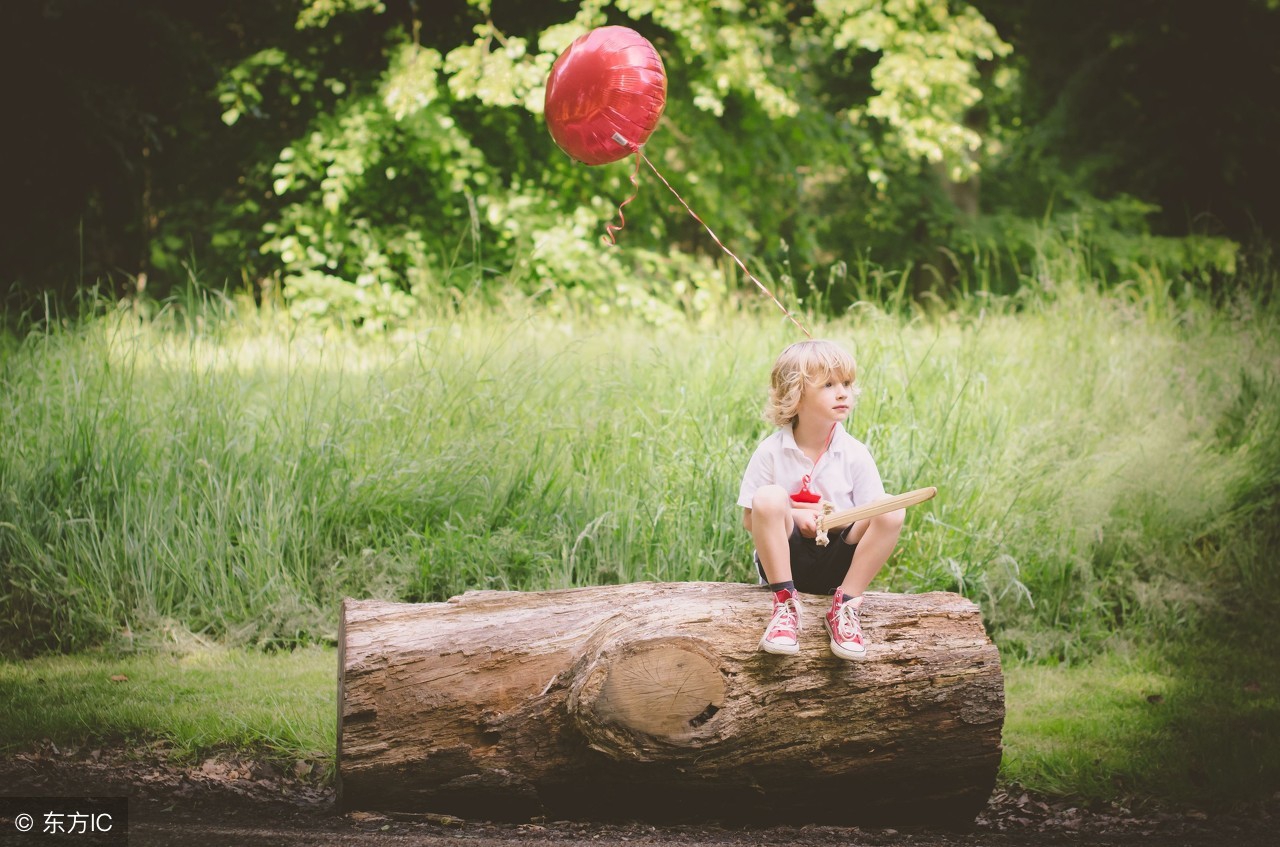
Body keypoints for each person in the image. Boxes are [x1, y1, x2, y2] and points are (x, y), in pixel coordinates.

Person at [737, 339, 905, 660]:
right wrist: (797, 515)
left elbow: (871, 518)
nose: (843, 392)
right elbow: (750, 519)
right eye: (828, 384)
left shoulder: (854, 454)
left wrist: (835, 520)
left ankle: (844, 608)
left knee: (890, 507)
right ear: (795, 394)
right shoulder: (771, 452)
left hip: (837, 565)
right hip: (786, 562)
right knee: (770, 497)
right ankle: (785, 606)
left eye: (846, 383)